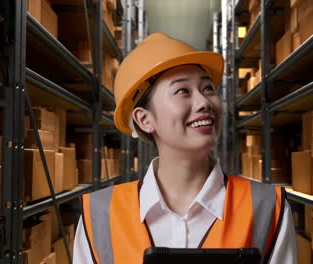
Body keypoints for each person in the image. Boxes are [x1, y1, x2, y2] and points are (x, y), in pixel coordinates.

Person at [73, 32, 297, 264]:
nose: (204, 102)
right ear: (144, 119)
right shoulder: (99, 215)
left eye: (208, 88)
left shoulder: (268, 207)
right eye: (183, 91)